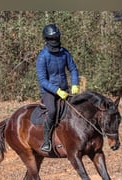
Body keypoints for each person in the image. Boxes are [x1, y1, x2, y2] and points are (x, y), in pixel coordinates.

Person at [36, 23, 80, 152]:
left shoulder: (64, 52)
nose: (55, 41)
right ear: (47, 40)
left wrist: (75, 84)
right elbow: (42, 80)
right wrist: (57, 91)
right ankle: (47, 141)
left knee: (78, 108)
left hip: (65, 89)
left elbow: (72, 68)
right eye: (52, 39)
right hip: (49, 92)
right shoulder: (42, 57)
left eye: (56, 38)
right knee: (53, 111)